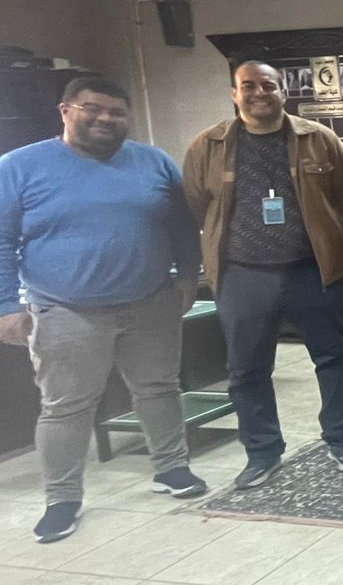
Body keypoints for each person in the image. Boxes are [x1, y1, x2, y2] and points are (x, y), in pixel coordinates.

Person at [0, 76, 206, 543]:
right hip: (64, 309)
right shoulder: (19, 167)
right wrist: (6, 306)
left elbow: (181, 226)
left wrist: (188, 278)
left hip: (150, 301)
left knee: (159, 389)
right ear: (65, 110)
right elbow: (2, 241)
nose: (105, 119)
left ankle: (171, 468)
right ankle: (62, 498)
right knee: (65, 407)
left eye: (116, 112)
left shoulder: (154, 162)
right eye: (92, 109)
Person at [184, 60, 343, 486]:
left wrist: (317, 233)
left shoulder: (318, 139)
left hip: (311, 270)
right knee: (247, 369)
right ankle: (262, 453)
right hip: (242, 276)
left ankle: (342, 440)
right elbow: (197, 203)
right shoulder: (208, 146)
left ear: (284, 91)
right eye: (249, 86)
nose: (259, 93)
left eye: (269, 85)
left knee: (334, 359)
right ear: (235, 93)